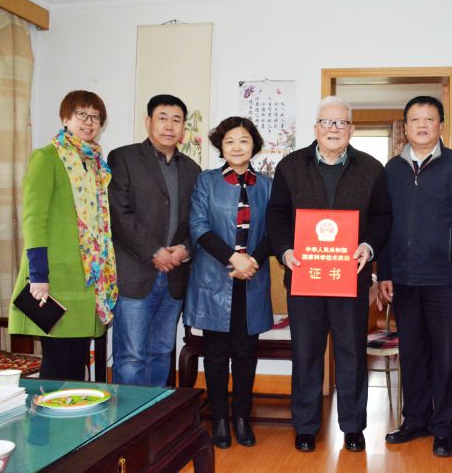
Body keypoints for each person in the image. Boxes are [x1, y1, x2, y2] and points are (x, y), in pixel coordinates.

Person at [266, 96, 391, 453]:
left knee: (352, 353)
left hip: (350, 278)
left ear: (351, 129)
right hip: (304, 278)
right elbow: (276, 215)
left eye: (341, 123)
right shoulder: (291, 166)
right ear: (316, 128)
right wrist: (284, 250)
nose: (333, 128)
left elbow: (383, 217)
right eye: (326, 122)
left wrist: (369, 246)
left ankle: (353, 427)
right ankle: (306, 426)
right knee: (306, 353)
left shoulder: (371, 168)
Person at [379, 95, 452, 458]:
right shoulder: (391, 169)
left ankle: (444, 428)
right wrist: (384, 272)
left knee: (447, 355)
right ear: (405, 127)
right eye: (415, 119)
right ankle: (415, 420)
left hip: (446, 279)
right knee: (412, 353)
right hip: (404, 278)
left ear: (441, 125)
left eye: (429, 119)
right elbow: (385, 224)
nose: (422, 125)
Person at [9, 90, 117, 380]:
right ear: (66, 118)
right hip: (54, 278)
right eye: (82, 114)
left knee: (77, 363)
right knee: (56, 363)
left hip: (87, 278)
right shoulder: (47, 157)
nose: (89, 122)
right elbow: (34, 219)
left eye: (95, 117)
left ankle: (74, 411)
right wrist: (38, 275)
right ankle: (47, 412)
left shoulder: (96, 164)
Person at [184, 116, 273, 449]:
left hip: (252, 279)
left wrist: (251, 262)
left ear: (254, 146)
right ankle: (220, 419)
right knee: (217, 354)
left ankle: (242, 418)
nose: (237, 147)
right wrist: (233, 259)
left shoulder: (267, 185)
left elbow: (275, 230)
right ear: (221, 146)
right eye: (230, 141)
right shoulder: (206, 181)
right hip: (214, 278)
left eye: (244, 140)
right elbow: (198, 227)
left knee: (246, 353)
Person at [108, 94, 201, 386]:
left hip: (175, 275)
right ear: (148, 121)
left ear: (184, 128)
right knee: (131, 357)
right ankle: (129, 415)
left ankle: (156, 413)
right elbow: (119, 214)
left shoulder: (193, 169)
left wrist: (185, 249)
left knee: (161, 353)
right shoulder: (123, 158)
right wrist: (154, 251)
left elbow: (199, 220)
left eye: (176, 120)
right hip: (136, 274)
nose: (169, 126)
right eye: (162, 118)